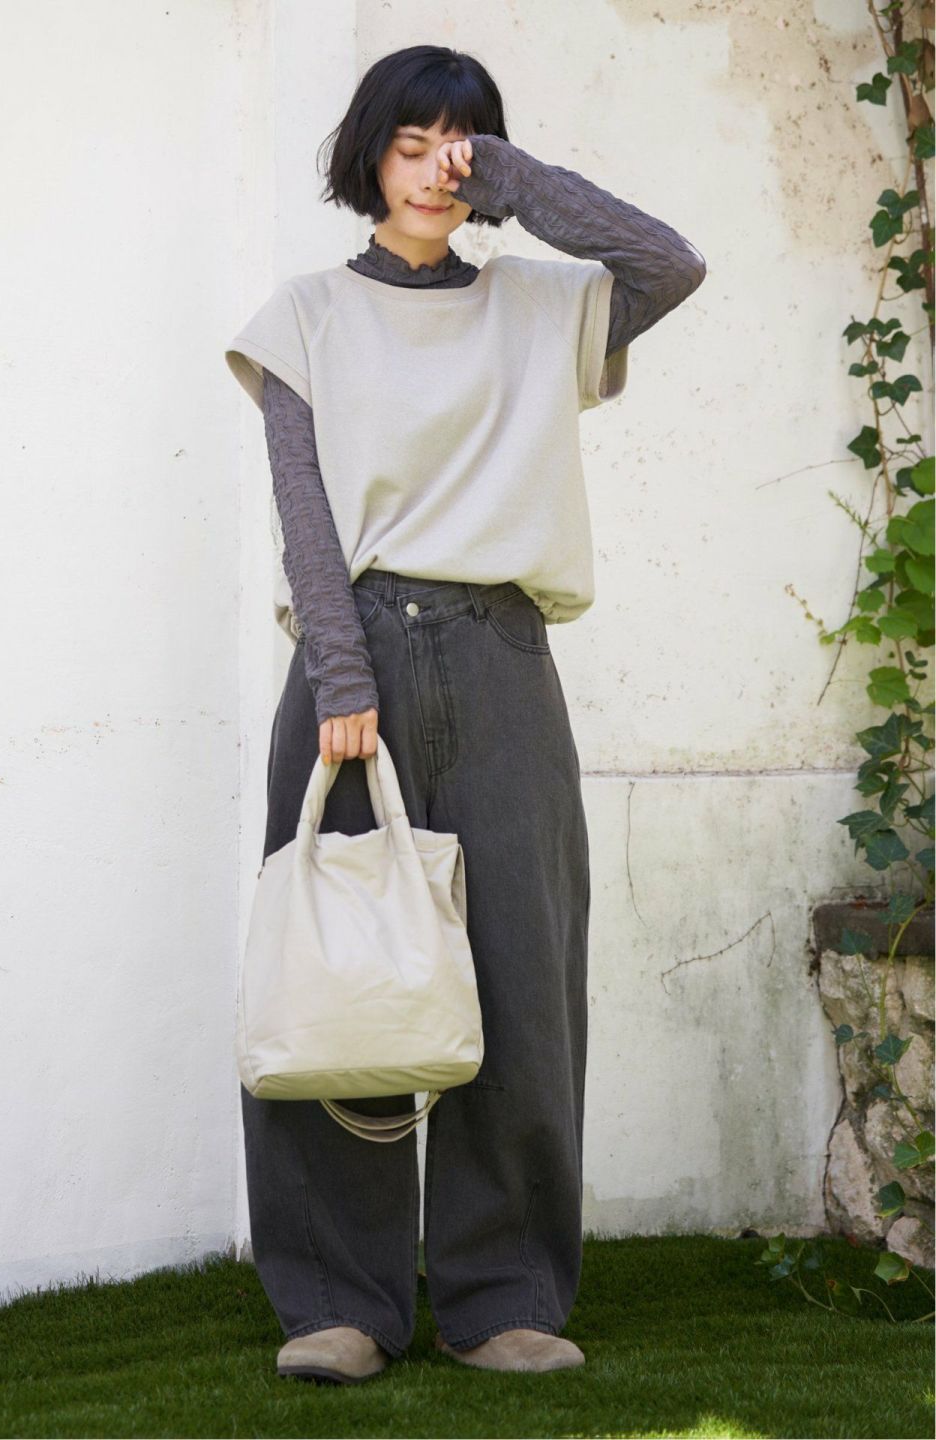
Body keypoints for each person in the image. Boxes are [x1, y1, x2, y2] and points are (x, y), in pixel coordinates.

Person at [224, 43, 706, 1385]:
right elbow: (304, 510)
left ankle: (503, 1297)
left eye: (462, 142)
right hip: (356, 661)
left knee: (522, 983)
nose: (437, 166)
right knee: (338, 972)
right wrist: (341, 677)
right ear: (367, 154)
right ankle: (340, 1303)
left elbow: (669, 263)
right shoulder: (306, 315)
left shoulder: (538, 307)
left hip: (502, 659)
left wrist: (515, 183)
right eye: (413, 140)